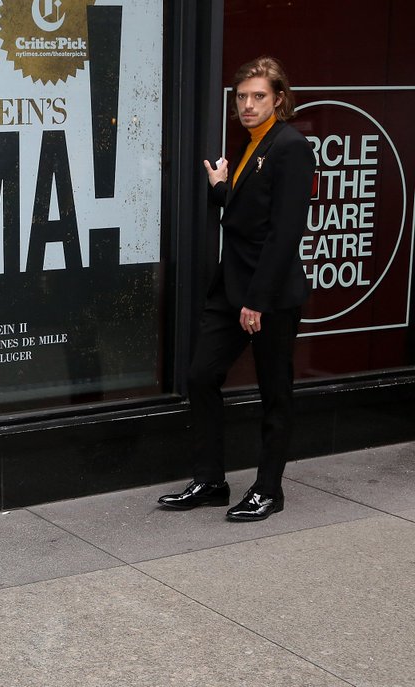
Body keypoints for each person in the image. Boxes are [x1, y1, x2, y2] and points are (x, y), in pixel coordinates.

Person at [158, 56, 315, 522]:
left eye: (258, 97)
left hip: (268, 296)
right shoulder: (252, 144)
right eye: (242, 97)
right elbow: (251, 212)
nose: (247, 105)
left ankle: (269, 490)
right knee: (201, 377)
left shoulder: (290, 146)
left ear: (279, 99)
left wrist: (257, 301)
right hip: (232, 289)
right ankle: (211, 481)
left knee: (275, 392)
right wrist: (221, 188)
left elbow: (285, 231)